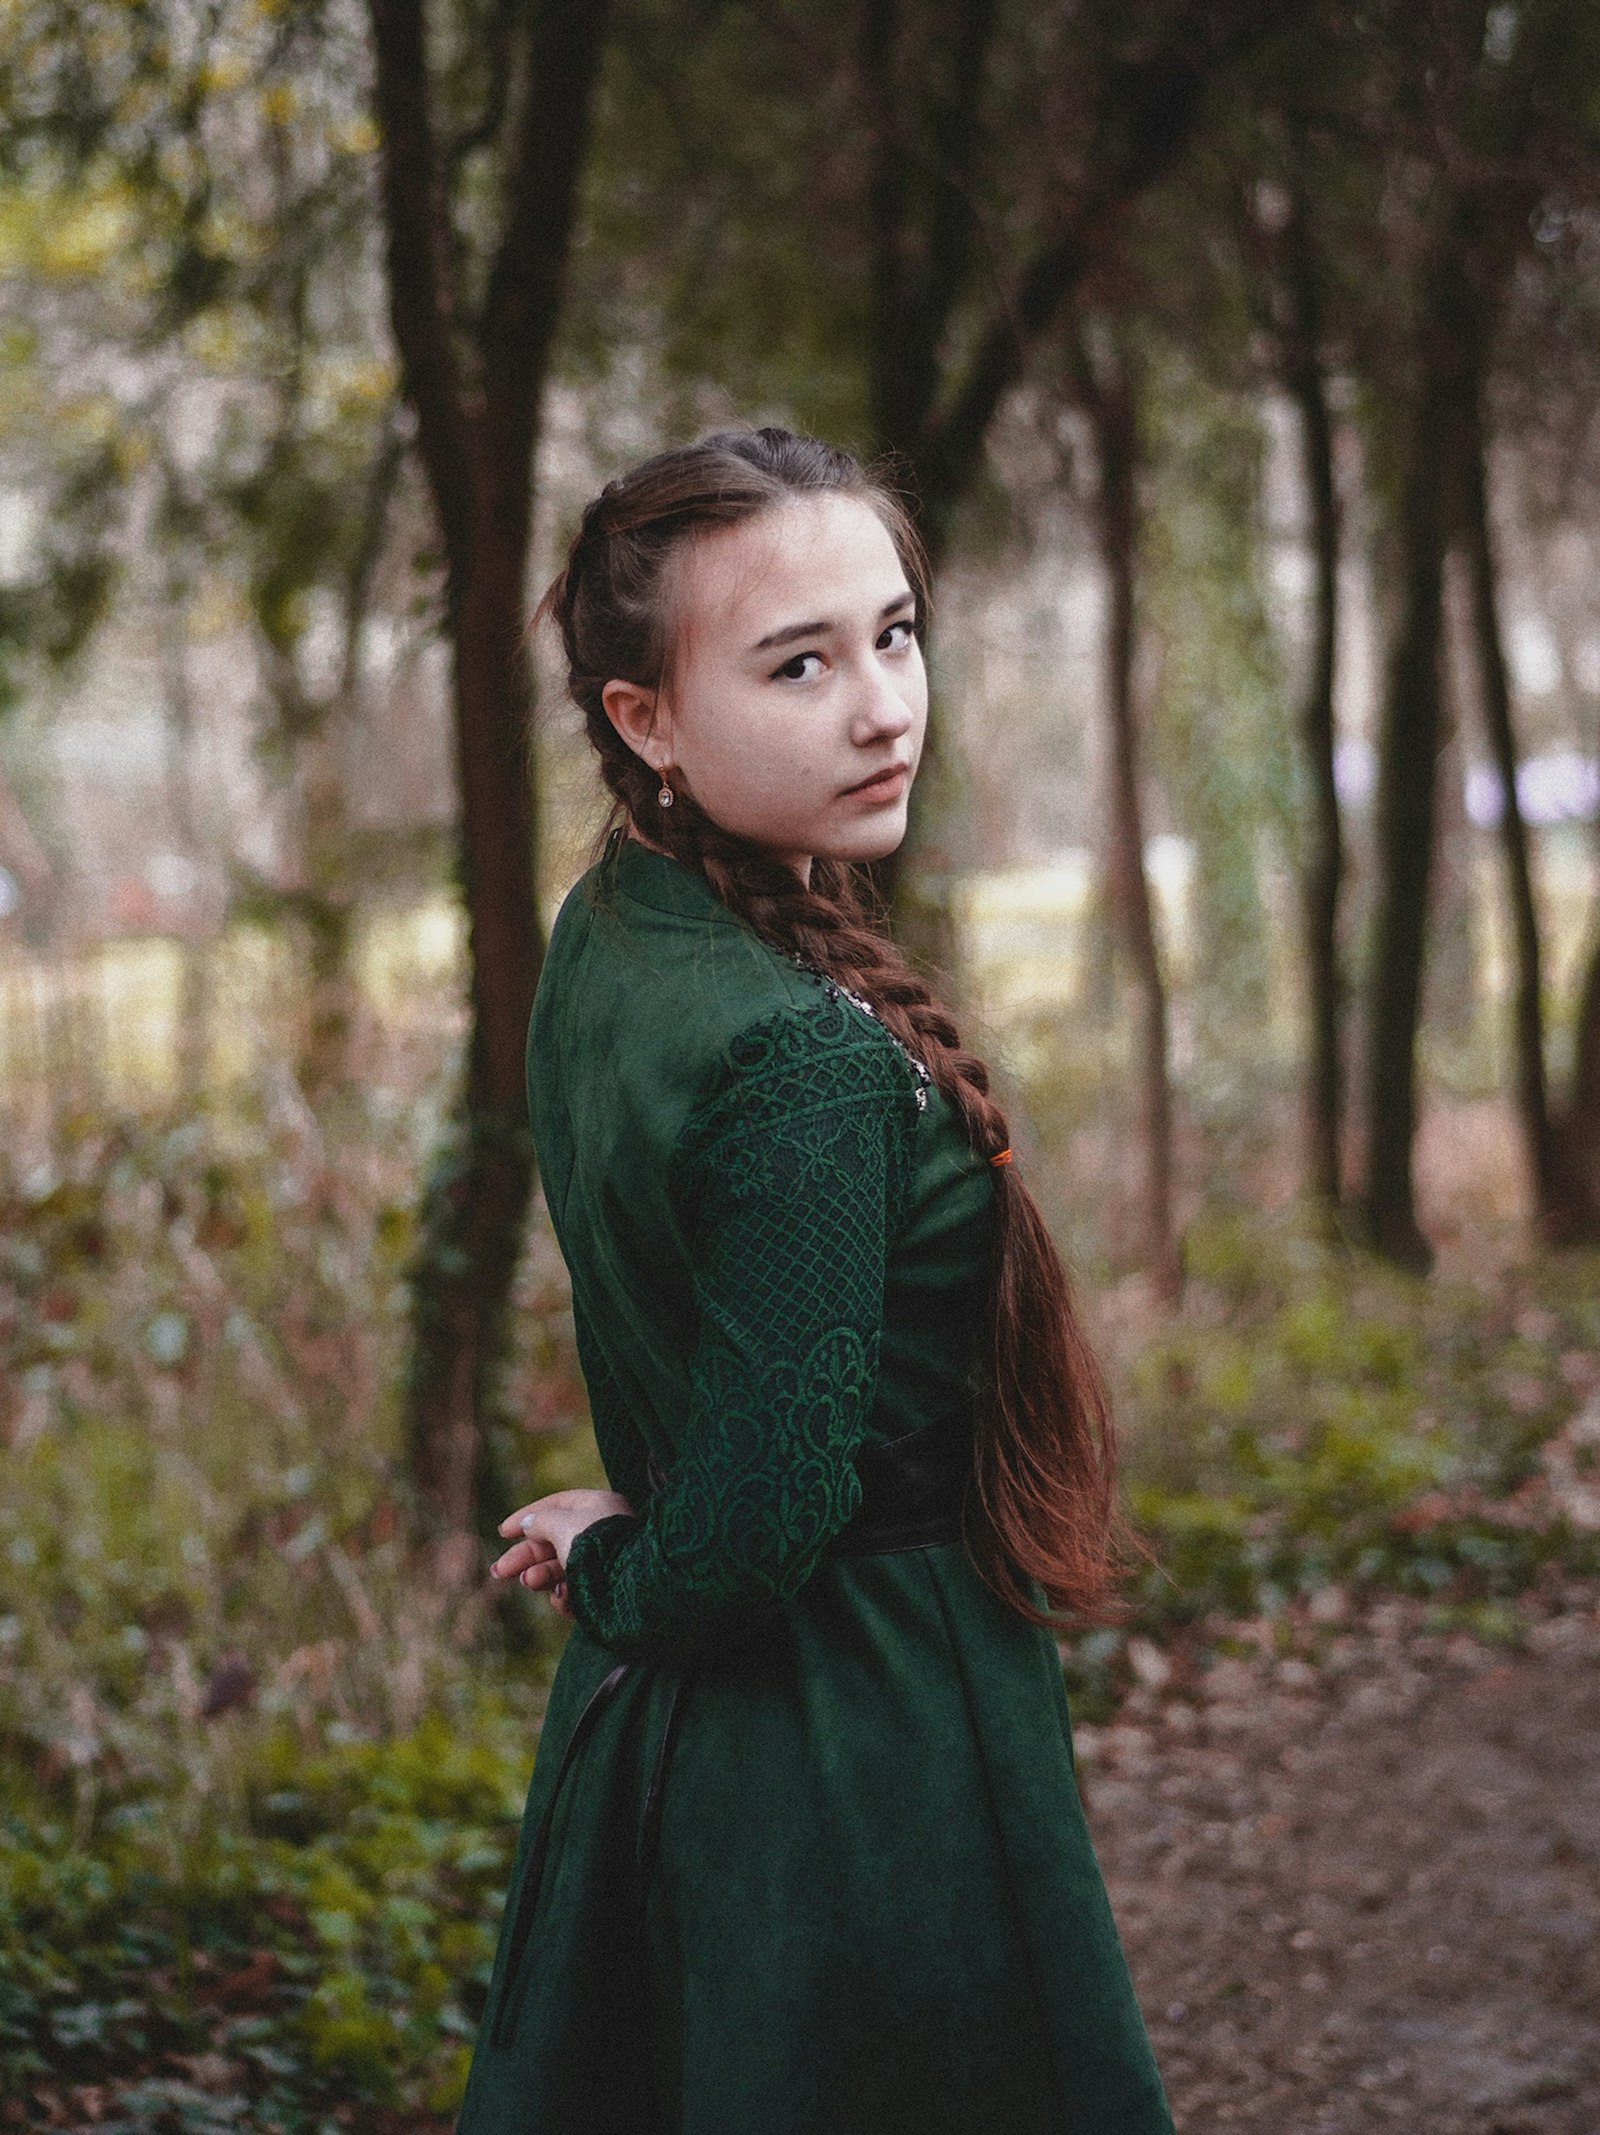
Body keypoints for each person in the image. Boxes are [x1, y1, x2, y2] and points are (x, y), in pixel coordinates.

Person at [456, 426, 1172, 2135]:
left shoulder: (617, 931)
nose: (882, 705)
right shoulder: (794, 1060)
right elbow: (767, 1522)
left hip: (678, 1743)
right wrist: (633, 1555)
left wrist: (632, 1532)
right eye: (801, 662)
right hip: (865, 1748)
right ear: (645, 720)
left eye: (895, 632)